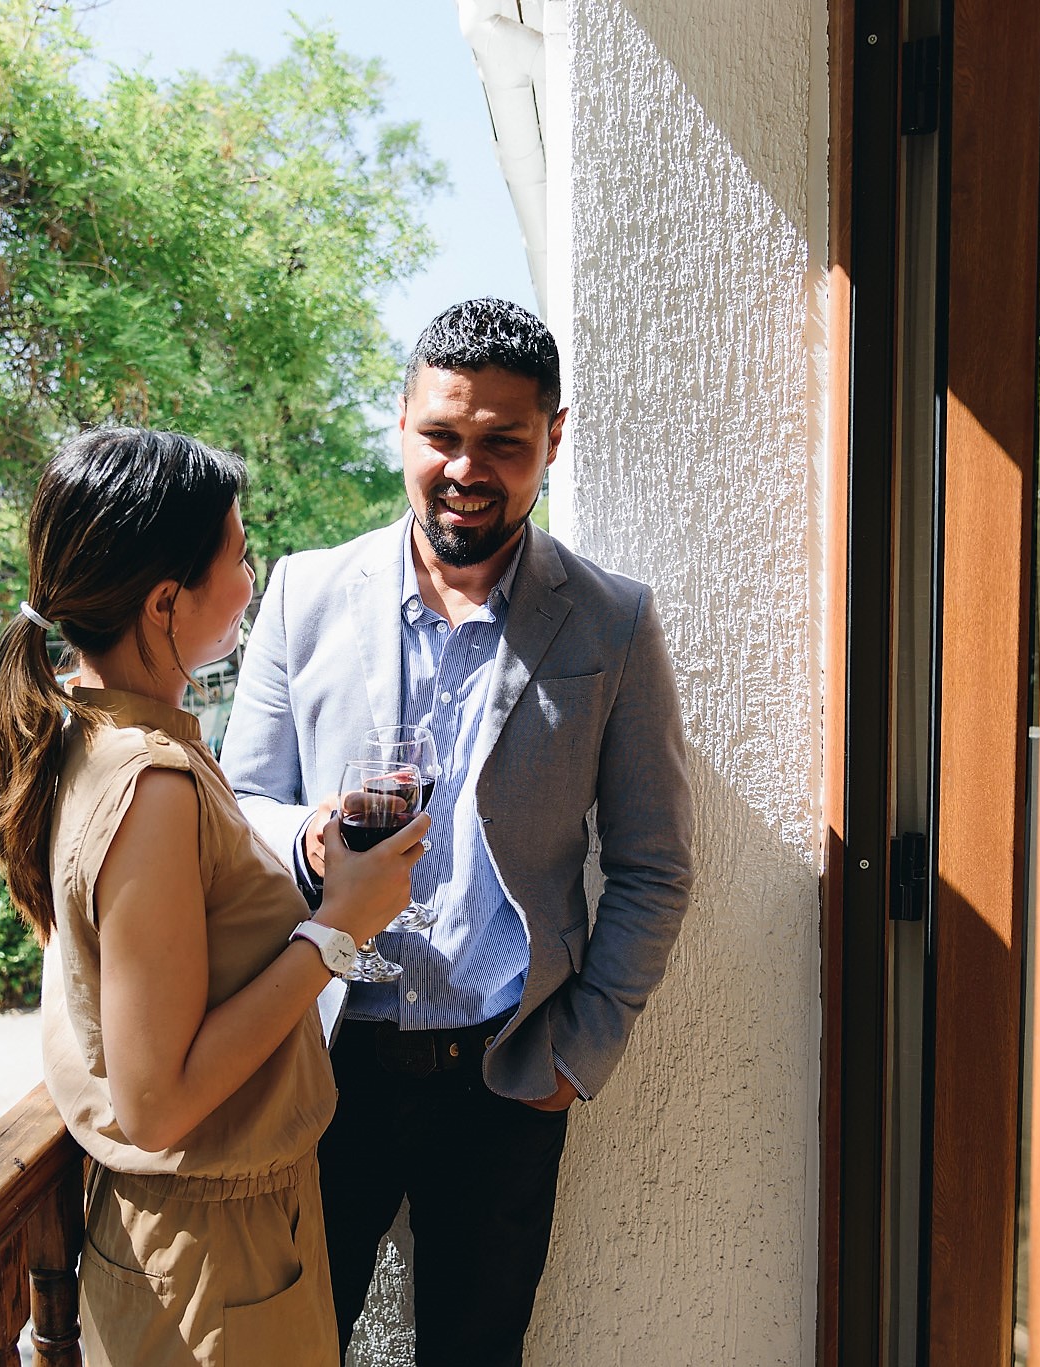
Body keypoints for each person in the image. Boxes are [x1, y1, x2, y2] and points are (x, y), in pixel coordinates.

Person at [221, 298, 696, 1364]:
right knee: (285, 1352)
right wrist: (311, 842)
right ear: (400, 426)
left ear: (552, 440)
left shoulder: (611, 620)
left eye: (502, 442)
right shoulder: (301, 595)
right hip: (322, 1061)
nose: (465, 468)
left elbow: (654, 863)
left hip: (505, 1075)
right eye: (441, 435)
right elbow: (234, 806)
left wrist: (581, 1047)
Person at [0, 427, 428, 1367]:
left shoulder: (93, 739)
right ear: (166, 602)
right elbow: (157, 1100)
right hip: (213, 1267)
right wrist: (341, 928)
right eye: (239, 554)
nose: (253, 579)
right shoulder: (151, 783)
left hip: (210, 1247)